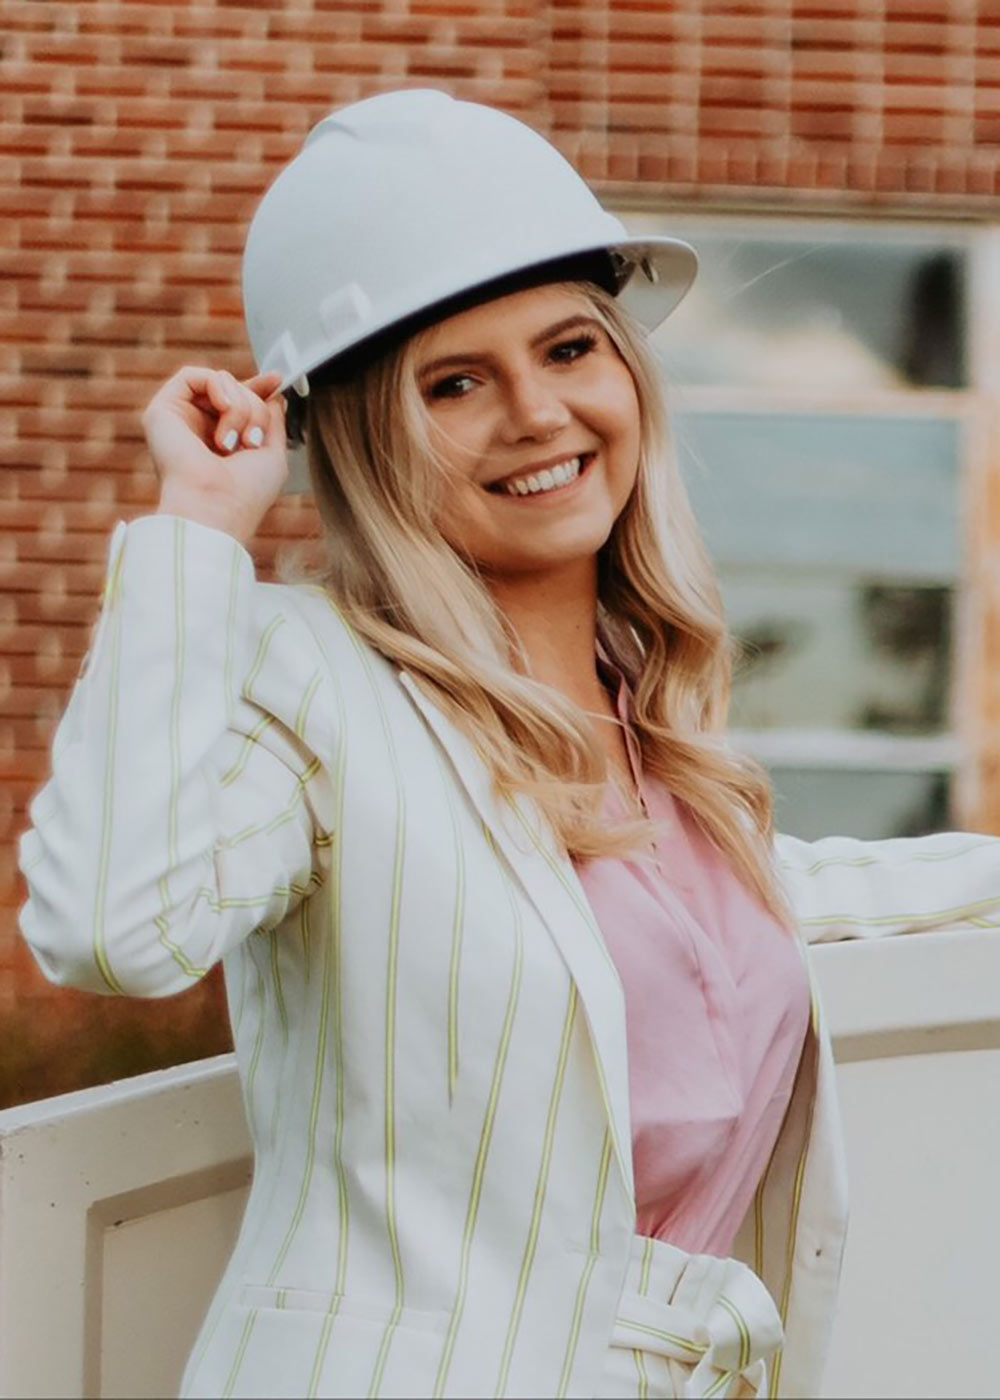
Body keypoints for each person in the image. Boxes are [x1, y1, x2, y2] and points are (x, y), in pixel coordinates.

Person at [17, 89, 1000, 1400]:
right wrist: (200, 527)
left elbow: (759, 914)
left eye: (570, 349)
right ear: (366, 436)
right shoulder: (309, 682)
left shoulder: (653, 722)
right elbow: (111, 930)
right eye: (457, 383)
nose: (538, 414)